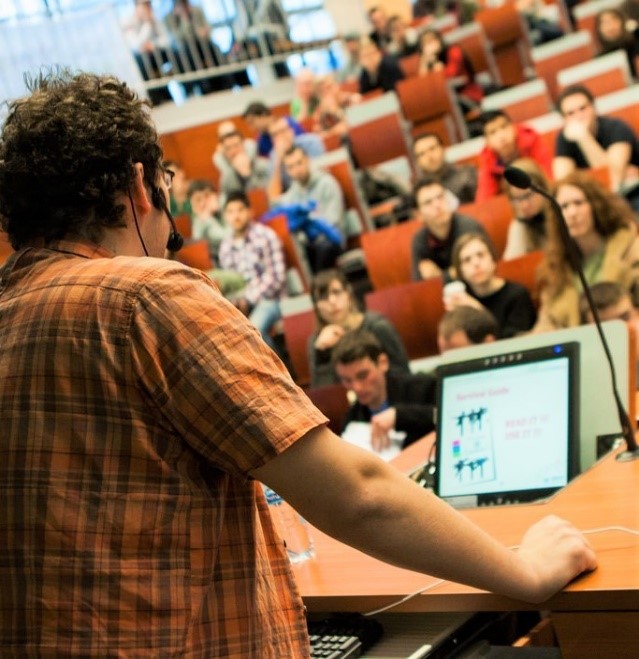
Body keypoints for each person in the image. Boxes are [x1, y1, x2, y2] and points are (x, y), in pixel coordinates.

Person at [0, 70, 597, 656]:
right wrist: (523, 570)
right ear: (138, 185)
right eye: (166, 183)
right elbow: (357, 495)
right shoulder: (148, 296)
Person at [535, 171, 639, 331]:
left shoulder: (632, 248)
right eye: (564, 207)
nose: (572, 213)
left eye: (578, 203)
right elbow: (545, 328)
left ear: (595, 205)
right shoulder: (556, 270)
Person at [333, 330, 436, 451]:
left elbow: (445, 417)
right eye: (347, 380)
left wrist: (401, 416)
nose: (357, 387)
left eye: (363, 375)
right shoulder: (351, 419)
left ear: (383, 363)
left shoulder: (423, 388)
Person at [308, 269, 410, 386]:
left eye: (336, 292)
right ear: (316, 306)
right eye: (323, 297)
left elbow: (403, 374)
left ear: (348, 294)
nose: (332, 301)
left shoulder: (377, 326)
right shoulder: (317, 342)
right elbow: (323, 394)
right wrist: (322, 353)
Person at [553, 85, 639, 212]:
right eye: (570, 113)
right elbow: (563, 183)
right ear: (564, 119)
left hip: (630, 194)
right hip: (594, 201)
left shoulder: (616, 127)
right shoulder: (564, 138)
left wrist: (583, 137)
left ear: (593, 107)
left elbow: (612, 178)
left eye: (583, 108)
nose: (579, 116)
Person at [218, 191, 286, 350]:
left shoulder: (265, 236)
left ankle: (278, 372)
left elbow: (276, 278)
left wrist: (248, 299)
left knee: (255, 329)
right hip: (241, 303)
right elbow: (232, 282)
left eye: (240, 210)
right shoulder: (225, 247)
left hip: (271, 300)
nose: (236, 216)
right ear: (225, 217)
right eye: (230, 212)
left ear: (250, 211)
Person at [448, 233, 537, 337]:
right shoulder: (461, 299)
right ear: (460, 271)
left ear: (493, 260)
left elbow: (513, 342)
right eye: (467, 260)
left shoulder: (517, 295)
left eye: (480, 255)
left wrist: (477, 311)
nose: (476, 263)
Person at [275, 145, 345, 272]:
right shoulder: (290, 197)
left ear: (307, 160)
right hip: (308, 243)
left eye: (299, 163)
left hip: (330, 239)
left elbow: (333, 220)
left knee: (323, 246)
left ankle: (318, 286)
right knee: (294, 252)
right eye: (291, 167)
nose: (297, 170)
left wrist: (311, 224)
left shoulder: (327, 183)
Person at [411, 177, 488, 282]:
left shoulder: (468, 227)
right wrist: (452, 273)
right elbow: (419, 283)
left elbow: (478, 268)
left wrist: (440, 276)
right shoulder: (420, 240)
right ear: (418, 215)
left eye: (440, 197)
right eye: (428, 202)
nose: (437, 205)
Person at [475, 110, 553, 202]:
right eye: (493, 132)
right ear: (487, 141)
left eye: (504, 127)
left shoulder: (531, 141)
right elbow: (484, 202)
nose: (501, 136)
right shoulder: (488, 160)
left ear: (514, 127)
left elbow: (550, 179)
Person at [418, 28, 484, 114]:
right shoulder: (427, 61)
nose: (430, 45)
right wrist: (424, 63)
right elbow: (422, 85)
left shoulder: (454, 51)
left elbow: (451, 75)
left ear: (439, 39)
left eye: (432, 40)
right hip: (443, 99)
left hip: (466, 94)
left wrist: (439, 71)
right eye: (426, 43)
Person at [121, 0, 173, 105]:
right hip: (141, 59)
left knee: (174, 54)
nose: (148, 7)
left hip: (156, 53)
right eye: (144, 4)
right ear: (136, 6)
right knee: (142, 61)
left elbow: (167, 40)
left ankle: (171, 95)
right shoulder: (128, 20)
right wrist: (147, 24)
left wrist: (152, 45)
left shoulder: (155, 17)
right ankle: (156, 99)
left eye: (149, 4)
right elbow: (136, 45)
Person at [502, 157, 551, 260]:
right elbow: (513, 263)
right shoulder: (519, 224)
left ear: (542, 188)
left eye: (528, 196)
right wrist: (521, 226)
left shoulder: (561, 209)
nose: (524, 205)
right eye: (517, 199)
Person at [266, 115, 325, 196]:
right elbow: (273, 196)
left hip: (317, 190)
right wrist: (278, 161)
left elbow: (322, 175)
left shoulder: (311, 142)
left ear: (291, 131)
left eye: (283, 131)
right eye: (275, 135)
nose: (281, 137)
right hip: (294, 198)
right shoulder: (274, 157)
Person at [413, 132, 478, 204]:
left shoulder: (466, 174)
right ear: (417, 162)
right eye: (422, 154)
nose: (429, 156)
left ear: (443, 149)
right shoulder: (419, 192)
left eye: (432, 149)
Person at [213, 121, 271, 198]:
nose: (233, 151)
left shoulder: (264, 165)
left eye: (236, 145)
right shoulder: (226, 178)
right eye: (228, 148)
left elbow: (267, 194)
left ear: (244, 145)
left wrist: (248, 176)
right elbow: (225, 200)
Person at [595, 7, 639, 78]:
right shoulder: (600, 60)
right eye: (604, 22)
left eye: (614, 19)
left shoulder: (636, 45)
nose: (610, 26)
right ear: (599, 29)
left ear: (622, 21)